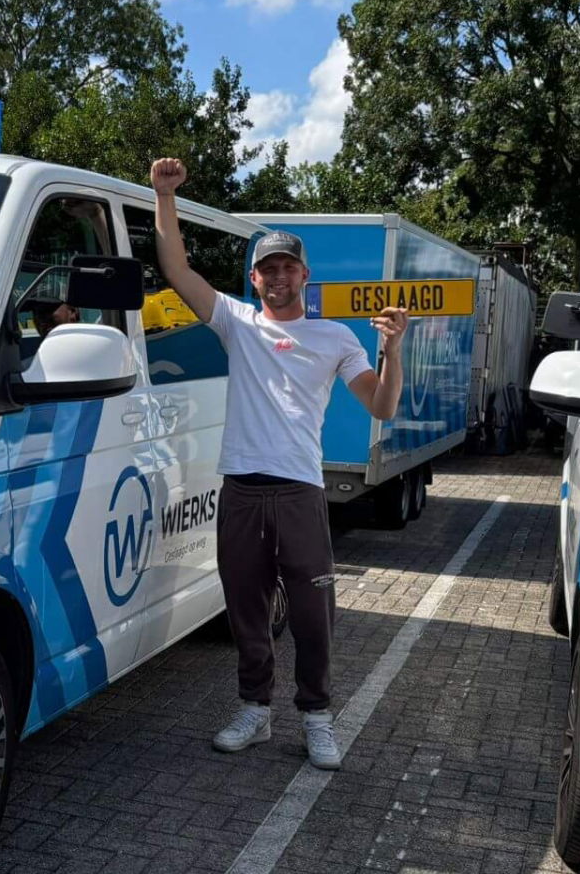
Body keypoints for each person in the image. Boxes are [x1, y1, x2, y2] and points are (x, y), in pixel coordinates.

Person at [149, 156, 408, 770]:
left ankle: (316, 717)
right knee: (247, 610)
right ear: (255, 277)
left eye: (288, 266)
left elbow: (382, 405)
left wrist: (393, 351)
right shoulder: (236, 322)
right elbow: (176, 269)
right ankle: (255, 710)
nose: (278, 276)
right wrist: (164, 196)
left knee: (314, 616)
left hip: (298, 493)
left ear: (304, 275)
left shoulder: (336, 337)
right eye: (268, 268)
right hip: (241, 489)